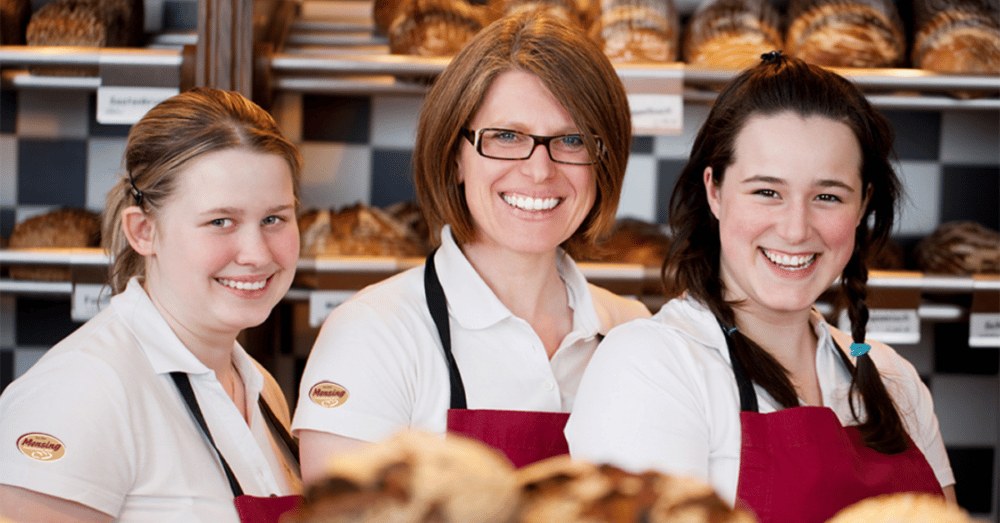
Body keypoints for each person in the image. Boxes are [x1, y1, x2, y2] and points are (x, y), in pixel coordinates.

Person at [565, 52, 956, 523]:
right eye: (767, 191)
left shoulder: (895, 380)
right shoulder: (652, 365)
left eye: (827, 196)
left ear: (863, 204)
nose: (795, 229)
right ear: (714, 190)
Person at [292, 11, 651, 482]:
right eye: (505, 136)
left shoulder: (632, 333)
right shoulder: (373, 334)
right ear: (455, 155)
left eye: (572, 139)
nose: (540, 170)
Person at [0, 88, 304, 522]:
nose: (256, 253)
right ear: (143, 231)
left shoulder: (261, 389)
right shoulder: (81, 390)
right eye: (220, 221)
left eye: (274, 218)